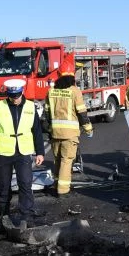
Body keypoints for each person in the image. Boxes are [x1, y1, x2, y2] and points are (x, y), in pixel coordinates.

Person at [0, 79, 45, 228]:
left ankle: (26, 217)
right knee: (3, 186)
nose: (14, 99)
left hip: (23, 152)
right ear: (8, 94)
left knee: (25, 184)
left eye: (17, 95)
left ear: (22, 92)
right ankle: (4, 216)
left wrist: (40, 152)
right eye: (12, 96)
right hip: (3, 153)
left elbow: (37, 131)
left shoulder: (30, 107)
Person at [44, 59, 93, 198]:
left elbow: (46, 114)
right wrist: (88, 129)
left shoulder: (51, 91)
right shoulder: (75, 91)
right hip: (69, 134)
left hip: (55, 133)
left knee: (58, 160)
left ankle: (57, 185)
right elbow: (82, 113)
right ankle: (63, 191)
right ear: (72, 76)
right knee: (67, 161)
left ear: (59, 75)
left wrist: (49, 129)